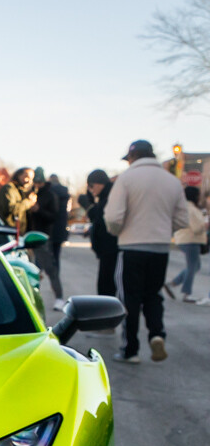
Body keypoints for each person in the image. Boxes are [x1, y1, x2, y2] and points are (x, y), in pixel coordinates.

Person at [104, 139, 190, 363]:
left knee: (129, 298)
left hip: (131, 246)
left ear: (132, 157)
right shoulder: (172, 182)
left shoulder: (126, 179)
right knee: (153, 295)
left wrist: (117, 231)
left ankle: (130, 349)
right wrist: (162, 229)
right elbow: (182, 219)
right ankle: (156, 334)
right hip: (160, 248)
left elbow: (113, 217)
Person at [27, 167, 69, 309]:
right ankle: (29, 299)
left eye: (39, 182)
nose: (37, 185)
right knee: (30, 269)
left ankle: (59, 298)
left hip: (44, 237)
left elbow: (53, 217)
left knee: (50, 269)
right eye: (35, 182)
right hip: (28, 237)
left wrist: (38, 210)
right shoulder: (30, 193)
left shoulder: (50, 195)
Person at [79, 169, 119, 297]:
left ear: (100, 183)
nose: (91, 190)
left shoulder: (110, 197)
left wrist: (90, 207)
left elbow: (101, 219)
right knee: (105, 287)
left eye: (92, 186)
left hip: (111, 249)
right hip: (106, 251)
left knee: (107, 288)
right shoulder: (104, 198)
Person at [167, 185, 206, 302]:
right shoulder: (191, 209)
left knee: (195, 266)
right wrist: (205, 225)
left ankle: (173, 283)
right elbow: (196, 228)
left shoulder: (187, 207)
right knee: (192, 266)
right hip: (190, 239)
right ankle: (186, 292)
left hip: (186, 239)